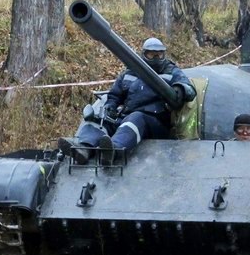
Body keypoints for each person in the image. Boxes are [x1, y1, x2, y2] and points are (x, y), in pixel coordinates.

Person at [60, 37, 197, 164]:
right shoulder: (130, 73)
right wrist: (110, 107)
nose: (156, 58)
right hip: (127, 116)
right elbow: (114, 95)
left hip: (156, 122)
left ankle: (114, 150)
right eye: (151, 54)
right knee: (101, 119)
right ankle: (83, 148)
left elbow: (190, 90)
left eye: (159, 54)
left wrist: (180, 89)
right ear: (144, 54)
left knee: (135, 119)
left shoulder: (172, 71)